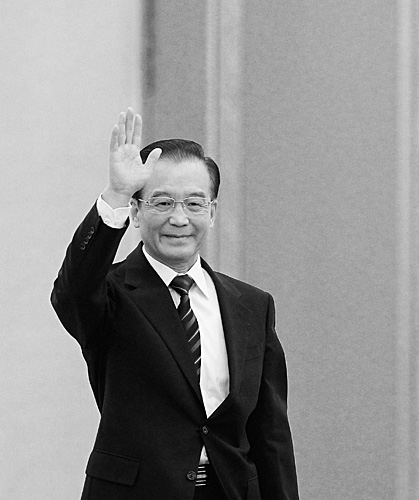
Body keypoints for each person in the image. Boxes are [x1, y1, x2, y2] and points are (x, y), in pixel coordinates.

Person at [51, 108, 299, 500]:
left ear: (212, 213)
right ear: (135, 212)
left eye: (194, 204)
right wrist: (115, 193)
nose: (179, 219)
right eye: (162, 203)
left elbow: (270, 435)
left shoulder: (252, 306)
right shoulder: (111, 294)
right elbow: (73, 291)